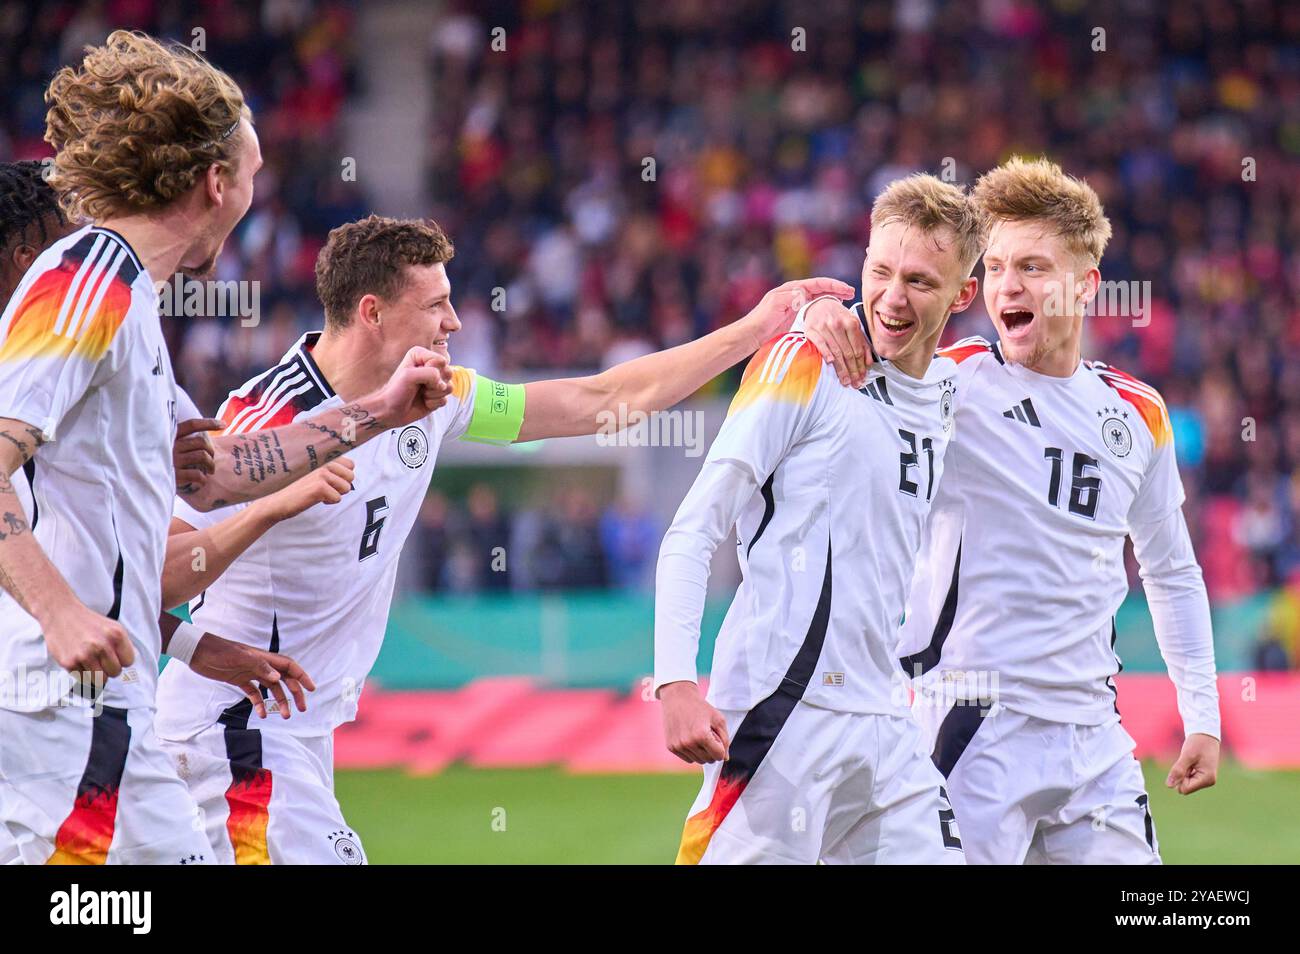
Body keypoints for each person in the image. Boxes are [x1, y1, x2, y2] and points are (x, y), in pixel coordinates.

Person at [151, 212, 858, 864]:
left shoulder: (436, 400)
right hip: (233, 732)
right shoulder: (266, 419)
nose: (456, 322)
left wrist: (753, 329)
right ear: (372, 313)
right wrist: (210, 631)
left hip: (294, 734)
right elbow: (151, 578)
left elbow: (601, 401)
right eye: (436, 306)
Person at [0, 31, 450, 865]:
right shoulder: (88, 278)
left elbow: (222, 476)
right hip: (59, 695)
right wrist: (62, 613)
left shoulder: (128, 297)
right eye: (253, 176)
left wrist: (379, 413)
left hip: (114, 697)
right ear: (216, 183)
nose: (253, 195)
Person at [806, 157, 1220, 864]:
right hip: (970, 722)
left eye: (1031, 267)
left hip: (1094, 733)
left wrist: (1203, 714)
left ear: (1086, 284)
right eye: (995, 267)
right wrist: (815, 312)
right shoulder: (949, 380)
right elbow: (871, 327)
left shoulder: (1137, 414)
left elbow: (1172, 571)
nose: (1006, 286)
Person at [654, 174, 981, 864]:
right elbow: (695, 526)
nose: (892, 297)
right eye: (880, 271)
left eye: (921, 282)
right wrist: (675, 680)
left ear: (963, 294)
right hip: (781, 711)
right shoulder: (805, 363)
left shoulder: (956, 392)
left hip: (886, 717)